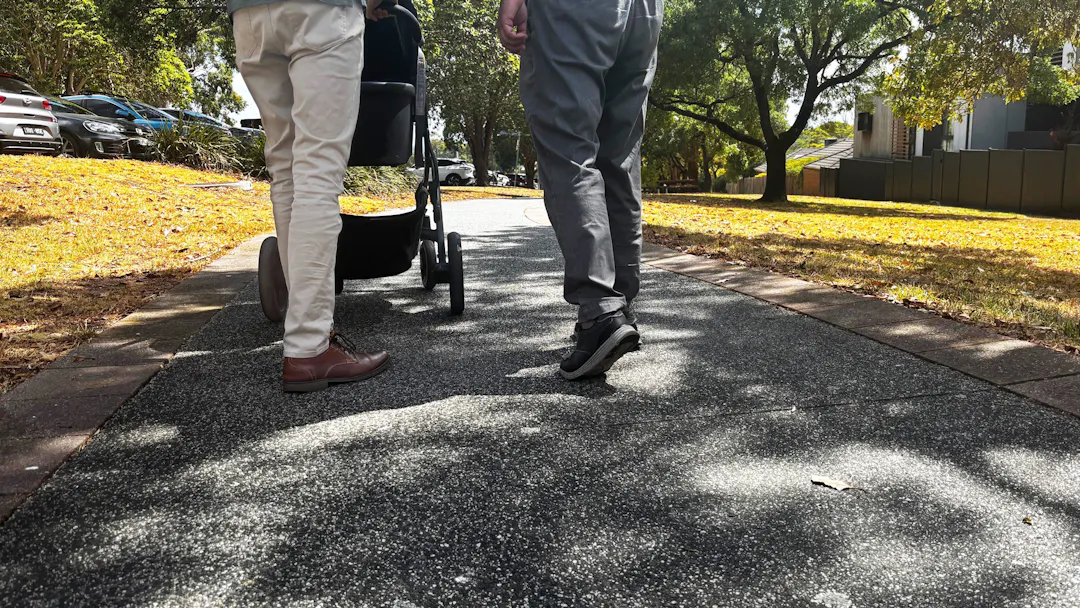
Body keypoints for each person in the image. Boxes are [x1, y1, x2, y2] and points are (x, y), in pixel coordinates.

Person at [229, 0, 395, 392]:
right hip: (320, 11)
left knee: (285, 169)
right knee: (317, 171)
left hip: (249, 16)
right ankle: (309, 346)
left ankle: (306, 338)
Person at [498, 0, 664, 379]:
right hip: (644, 12)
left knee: (569, 148)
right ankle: (621, 305)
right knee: (619, 157)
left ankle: (601, 311)